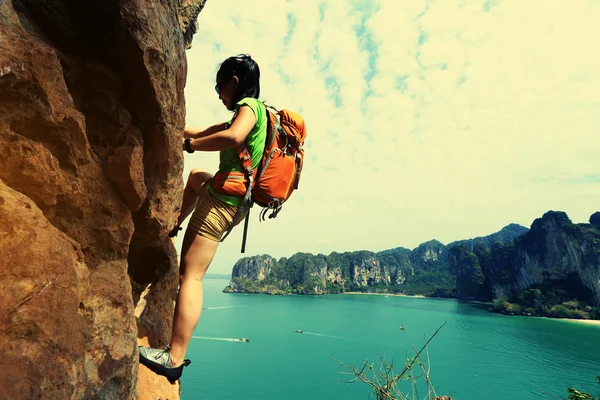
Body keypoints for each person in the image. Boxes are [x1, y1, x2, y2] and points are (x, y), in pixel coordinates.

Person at [138, 54, 267, 383]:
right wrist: (168, 125)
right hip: (235, 198)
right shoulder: (252, 113)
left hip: (224, 200)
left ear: (234, 82)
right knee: (196, 177)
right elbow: (202, 130)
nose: (218, 93)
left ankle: (174, 357)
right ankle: (174, 224)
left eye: (219, 86)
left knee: (191, 275)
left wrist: (192, 146)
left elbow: (232, 137)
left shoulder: (249, 108)